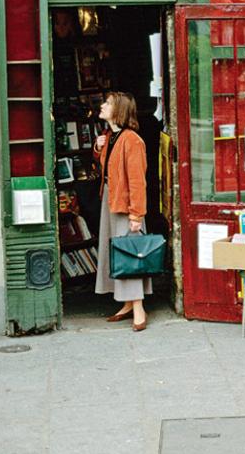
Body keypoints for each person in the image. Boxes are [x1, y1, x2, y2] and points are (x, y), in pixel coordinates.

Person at [93, 91, 151, 332]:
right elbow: (106, 168)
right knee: (118, 252)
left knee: (130, 254)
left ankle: (138, 308)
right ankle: (128, 303)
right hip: (111, 198)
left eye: (107, 103)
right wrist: (97, 150)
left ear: (118, 110)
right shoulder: (110, 137)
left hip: (125, 204)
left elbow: (138, 181)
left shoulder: (132, 140)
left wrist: (136, 214)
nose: (102, 106)